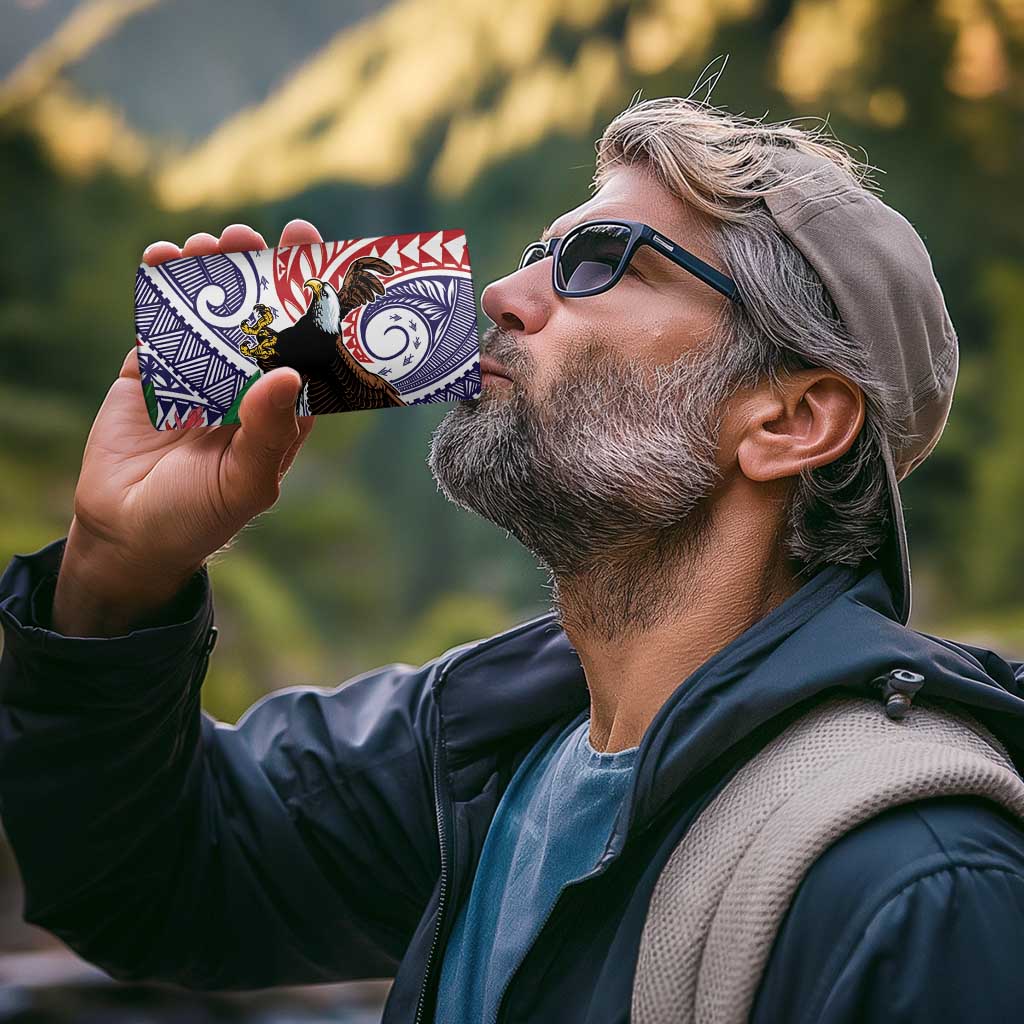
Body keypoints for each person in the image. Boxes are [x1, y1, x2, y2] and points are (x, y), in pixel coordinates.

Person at [2, 95, 1024, 1024]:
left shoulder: (918, 884)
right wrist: (116, 571)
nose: (501, 291)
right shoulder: (480, 748)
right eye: (541, 252)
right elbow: (149, 880)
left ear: (791, 419)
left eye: (599, 262)